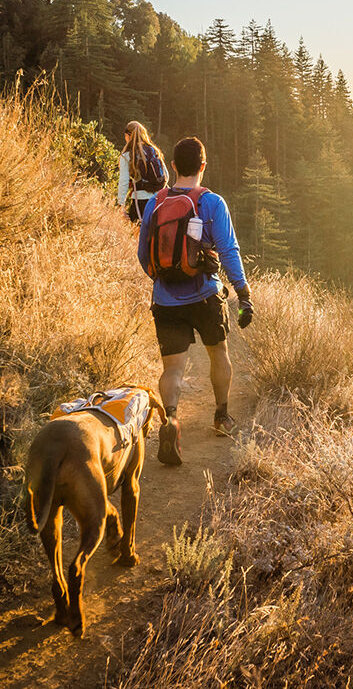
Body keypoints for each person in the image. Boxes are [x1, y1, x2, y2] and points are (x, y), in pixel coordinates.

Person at [137, 136, 253, 464]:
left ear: (173, 166)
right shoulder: (212, 202)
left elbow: (144, 255)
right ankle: (221, 417)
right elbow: (229, 251)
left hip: (165, 300)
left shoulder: (155, 203)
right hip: (206, 296)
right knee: (219, 353)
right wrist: (243, 294)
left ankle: (171, 419)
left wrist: (164, 277)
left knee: (172, 367)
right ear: (203, 166)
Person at [118, 121, 168, 223]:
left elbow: (123, 182)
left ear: (128, 136)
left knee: (139, 235)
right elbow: (166, 175)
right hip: (158, 200)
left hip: (139, 201)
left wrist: (120, 205)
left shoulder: (127, 155)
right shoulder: (153, 151)